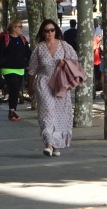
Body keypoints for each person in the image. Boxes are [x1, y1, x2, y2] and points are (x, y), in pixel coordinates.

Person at [27, 19, 78, 157]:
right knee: (47, 112)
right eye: (46, 30)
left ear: (56, 31)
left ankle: (56, 145)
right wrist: (30, 86)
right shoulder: (39, 48)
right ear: (42, 33)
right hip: (44, 82)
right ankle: (48, 143)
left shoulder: (64, 46)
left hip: (61, 84)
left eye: (52, 30)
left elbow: (75, 62)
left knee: (60, 115)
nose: (49, 33)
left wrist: (65, 63)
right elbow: (32, 70)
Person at [0, 19, 31, 121]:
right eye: (20, 26)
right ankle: (11, 111)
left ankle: (12, 110)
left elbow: (28, 53)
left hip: (20, 69)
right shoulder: (5, 39)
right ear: (14, 28)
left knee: (16, 90)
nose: (22, 28)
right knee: (13, 86)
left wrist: (31, 64)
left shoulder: (22, 39)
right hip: (8, 68)